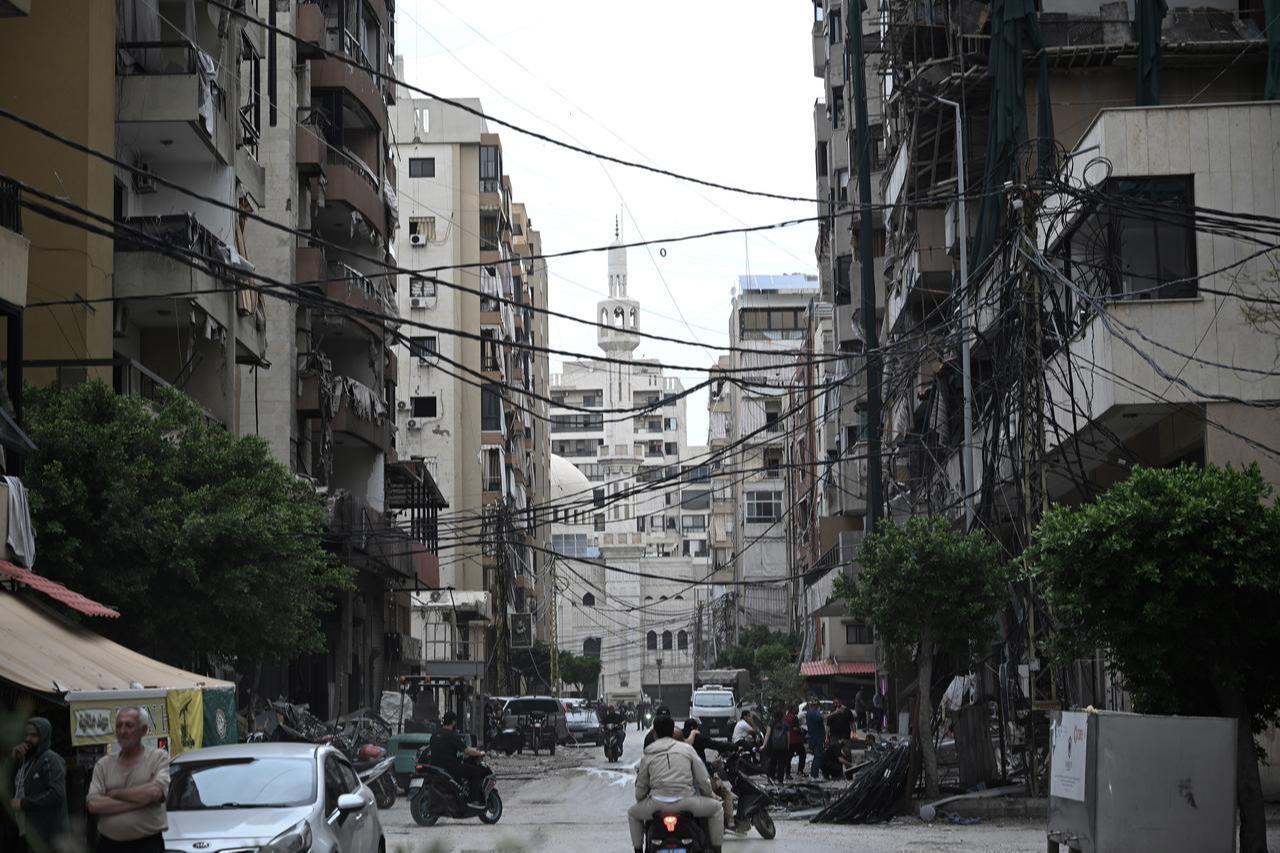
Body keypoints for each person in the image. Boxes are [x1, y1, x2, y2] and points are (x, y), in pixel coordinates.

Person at [627, 715, 723, 853]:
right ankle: (716, 849)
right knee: (717, 809)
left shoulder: (647, 754)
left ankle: (638, 851)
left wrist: (641, 799)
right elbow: (703, 779)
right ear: (673, 731)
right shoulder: (687, 749)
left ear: (654, 733)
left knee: (632, 813)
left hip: (657, 805)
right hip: (687, 802)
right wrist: (709, 795)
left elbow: (641, 786)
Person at [86, 707, 171, 853]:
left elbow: (155, 793)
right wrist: (142, 801)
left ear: (143, 730)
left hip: (147, 845)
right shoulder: (104, 764)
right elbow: (93, 804)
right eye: (119, 726)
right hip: (109, 846)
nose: (123, 731)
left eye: (129, 725)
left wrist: (114, 793)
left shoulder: (158, 758)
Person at [11, 717, 70, 853]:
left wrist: (23, 803)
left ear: (44, 736)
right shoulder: (29, 760)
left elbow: (56, 794)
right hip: (33, 832)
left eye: (33, 735)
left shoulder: (51, 759)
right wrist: (14, 761)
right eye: (26, 735)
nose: (28, 739)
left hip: (50, 836)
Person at [681, 719, 736, 830]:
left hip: (682, 781)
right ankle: (730, 823)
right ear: (695, 729)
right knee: (725, 792)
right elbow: (716, 744)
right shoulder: (697, 738)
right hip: (699, 778)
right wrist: (733, 746)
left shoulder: (678, 739)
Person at [428, 712, 488, 805]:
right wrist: (479, 753)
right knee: (475, 771)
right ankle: (473, 800)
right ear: (453, 722)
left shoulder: (434, 735)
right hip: (450, 767)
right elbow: (466, 750)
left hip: (436, 767)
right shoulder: (451, 735)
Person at [764, 710, 789, 785]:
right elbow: (788, 736)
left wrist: (764, 744)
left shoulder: (771, 723)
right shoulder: (785, 724)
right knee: (781, 764)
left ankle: (771, 779)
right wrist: (787, 746)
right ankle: (780, 781)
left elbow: (767, 735)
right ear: (782, 716)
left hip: (772, 746)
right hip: (782, 747)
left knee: (773, 762)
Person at [804, 701, 826, 779]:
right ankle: (814, 775)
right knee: (817, 757)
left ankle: (813, 774)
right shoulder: (815, 713)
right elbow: (822, 718)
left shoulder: (808, 714)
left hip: (812, 738)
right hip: (818, 738)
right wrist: (835, 713)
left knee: (816, 757)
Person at [783, 705, 805, 778]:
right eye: (797, 709)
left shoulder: (785, 717)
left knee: (788, 757)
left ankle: (787, 773)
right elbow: (795, 728)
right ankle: (800, 771)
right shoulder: (794, 718)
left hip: (788, 740)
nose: (798, 710)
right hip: (796, 740)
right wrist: (801, 730)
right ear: (792, 709)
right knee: (802, 754)